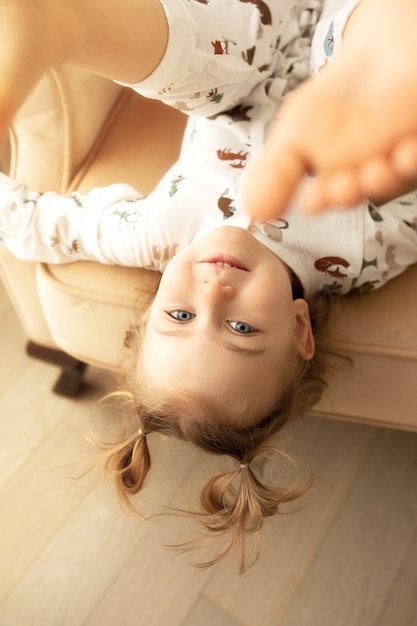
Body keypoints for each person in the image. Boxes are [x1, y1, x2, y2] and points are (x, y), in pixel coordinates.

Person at [1, 0, 417, 572]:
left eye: (179, 317)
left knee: (212, 78)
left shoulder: (155, 237)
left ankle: (68, 24)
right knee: (377, 111)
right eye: (241, 328)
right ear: (299, 329)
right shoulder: (357, 253)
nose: (213, 291)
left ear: (152, 310)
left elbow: (38, 230)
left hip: (252, 39)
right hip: (348, 51)